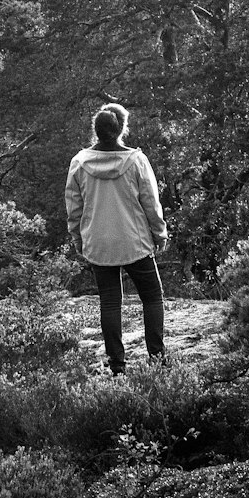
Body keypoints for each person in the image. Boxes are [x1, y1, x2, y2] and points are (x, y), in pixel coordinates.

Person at [64, 102, 168, 375]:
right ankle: (157, 359)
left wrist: (78, 238)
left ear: (96, 131)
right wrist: (159, 233)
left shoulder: (79, 163)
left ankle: (118, 366)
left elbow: (73, 207)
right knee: (152, 298)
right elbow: (150, 202)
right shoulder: (136, 161)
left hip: (99, 243)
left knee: (110, 301)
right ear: (122, 129)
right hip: (135, 242)